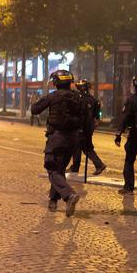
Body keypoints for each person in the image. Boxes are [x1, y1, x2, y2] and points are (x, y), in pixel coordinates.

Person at [31, 70, 84, 216]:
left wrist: (37, 101)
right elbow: (86, 118)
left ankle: (69, 195)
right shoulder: (78, 97)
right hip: (73, 139)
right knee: (59, 169)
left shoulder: (53, 96)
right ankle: (53, 201)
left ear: (56, 82)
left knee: (51, 168)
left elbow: (35, 110)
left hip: (57, 137)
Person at [69, 79, 107, 175]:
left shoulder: (79, 99)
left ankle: (99, 164)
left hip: (81, 127)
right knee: (78, 147)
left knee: (86, 148)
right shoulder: (93, 100)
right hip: (89, 127)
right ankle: (75, 167)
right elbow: (97, 116)